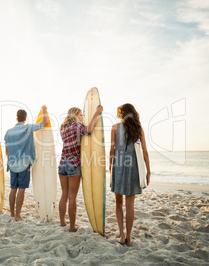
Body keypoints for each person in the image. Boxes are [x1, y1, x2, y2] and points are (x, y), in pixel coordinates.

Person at [109, 103, 151, 247]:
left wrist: (110, 168)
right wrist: (148, 171)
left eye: (119, 113)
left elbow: (111, 151)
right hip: (133, 167)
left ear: (122, 114)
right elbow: (145, 152)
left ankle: (121, 234)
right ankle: (128, 237)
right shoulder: (138, 129)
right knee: (130, 204)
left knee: (118, 202)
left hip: (119, 166)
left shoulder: (115, 128)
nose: (118, 115)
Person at [58, 105, 103, 232]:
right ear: (75, 116)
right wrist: (97, 113)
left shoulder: (63, 128)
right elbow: (89, 130)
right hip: (74, 163)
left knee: (64, 195)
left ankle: (62, 222)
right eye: (80, 115)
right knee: (72, 197)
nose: (81, 117)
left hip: (62, 163)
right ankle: (72, 227)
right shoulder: (77, 126)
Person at [5, 106, 49, 221]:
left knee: (13, 188)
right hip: (24, 164)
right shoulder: (28, 128)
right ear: (25, 118)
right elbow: (45, 122)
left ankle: (12, 213)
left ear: (16, 118)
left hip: (13, 164)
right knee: (21, 189)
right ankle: (18, 215)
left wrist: (10, 160)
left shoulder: (9, 132)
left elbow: (7, 149)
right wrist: (44, 110)